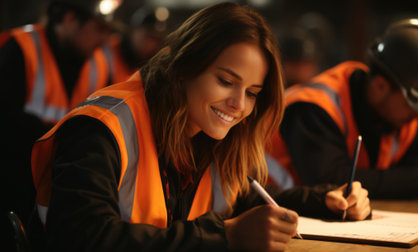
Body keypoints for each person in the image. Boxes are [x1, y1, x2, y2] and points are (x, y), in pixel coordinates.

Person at [31, 2, 371, 251]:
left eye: (252, 93)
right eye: (225, 81)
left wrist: (324, 199)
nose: (239, 106)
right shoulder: (102, 129)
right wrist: (226, 236)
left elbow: (251, 200)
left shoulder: (210, 136)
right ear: (184, 67)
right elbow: (78, 237)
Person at [0, 0, 120, 250]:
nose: (105, 39)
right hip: (10, 188)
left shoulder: (99, 63)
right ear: (70, 19)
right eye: (99, 28)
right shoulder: (20, 47)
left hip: (59, 190)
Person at [268, 18, 418, 199]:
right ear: (381, 86)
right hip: (265, 210)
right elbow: (330, 182)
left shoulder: (397, 114)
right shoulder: (313, 107)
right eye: (413, 105)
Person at [103, 7, 166, 83]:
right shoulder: (107, 52)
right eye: (147, 35)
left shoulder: (152, 67)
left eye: (156, 39)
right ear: (133, 31)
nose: (150, 43)